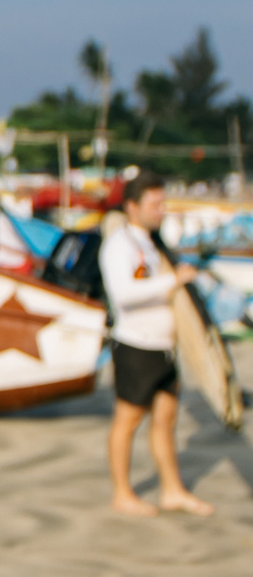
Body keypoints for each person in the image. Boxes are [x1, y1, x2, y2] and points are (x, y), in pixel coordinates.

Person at [99, 170, 211, 517]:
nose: (161, 210)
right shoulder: (120, 245)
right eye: (155, 204)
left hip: (164, 347)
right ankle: (122, 493)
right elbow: (124, 295)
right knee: (128, 419)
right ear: (132, 206)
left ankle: (172, 490)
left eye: (163, 204)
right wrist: (172, 281)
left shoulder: (151, 243)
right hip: (136, 345)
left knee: (166, 417)